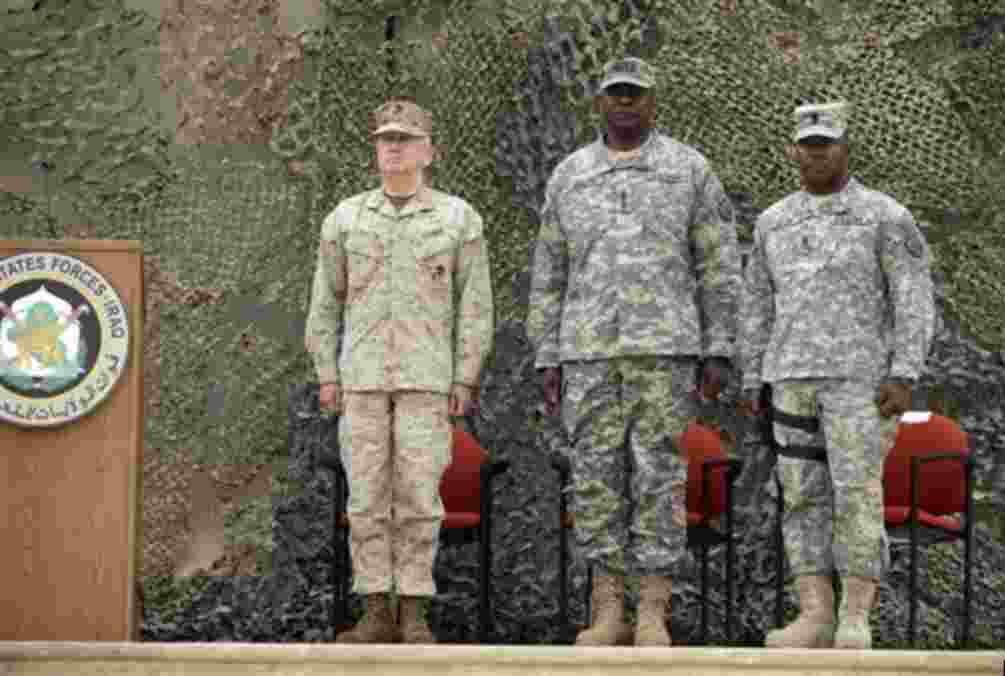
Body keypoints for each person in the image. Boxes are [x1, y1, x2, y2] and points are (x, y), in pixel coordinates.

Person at [527, 56, 740, 647]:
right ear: (600, 103)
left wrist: (719, 345)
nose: (625, 104)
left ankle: (652, 609)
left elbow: (718, 262)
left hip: (664, 352)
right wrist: (548, 355)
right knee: (594, 477)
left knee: (660, 476)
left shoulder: (689, 170)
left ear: (652, 103)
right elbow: (548, 272)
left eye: (635, 95)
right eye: (615, 95)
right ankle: (608, 609)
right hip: (588, 353)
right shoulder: (570, 175)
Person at [738, 101, 935, 649]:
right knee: (800, 497)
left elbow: (913, 299)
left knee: (856, 495)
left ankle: (855, 614)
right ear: (792, 150)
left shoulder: (885, 216)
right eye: (808, 144)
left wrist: (904, 371)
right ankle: (814, 612)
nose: (817, 153)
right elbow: (756, 305)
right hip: (791, 379)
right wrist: (754, 378)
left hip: (859, 383)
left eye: (827, 144)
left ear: (847, 148)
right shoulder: (774, 221)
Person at [305, 98, 494, 644]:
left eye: (406, 139)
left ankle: (413, 610)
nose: (394, 147)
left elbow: (475, 304)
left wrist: (464, 376)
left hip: (425, 379)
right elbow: (325, 301)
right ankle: (374, 611)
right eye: (386, 139)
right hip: (361, 379)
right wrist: (327, 372)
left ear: (428, 150)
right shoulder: (345, 218)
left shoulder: (458, 219)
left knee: (417, 497)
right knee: (365, 499)